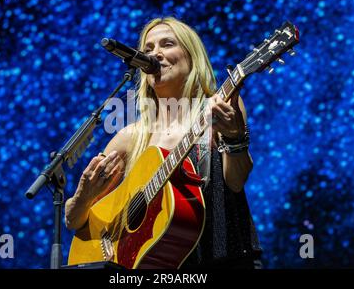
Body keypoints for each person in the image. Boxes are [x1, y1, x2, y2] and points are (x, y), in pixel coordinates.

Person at [64, 16, 262, 269]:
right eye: (147, 49)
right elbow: (73, 221)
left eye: (167, 44)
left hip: (226, 259)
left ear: (192, 57)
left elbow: (236, 181)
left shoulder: (219, 106)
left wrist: (234, 137)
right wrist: (83, 197)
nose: (155, 54)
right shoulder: (130, 137)